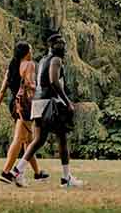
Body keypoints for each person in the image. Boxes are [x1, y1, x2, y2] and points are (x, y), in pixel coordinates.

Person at [8, 32, 82, 188]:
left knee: (38, 140)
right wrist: (67, 101)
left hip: (37, 103)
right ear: (52, 46)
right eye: (59, 44)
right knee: (62, 138)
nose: (62, 46)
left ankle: (16, 171)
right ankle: (66, 178)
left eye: (63, 43)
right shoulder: (56, 60)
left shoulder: (42, 60)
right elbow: (54, 81)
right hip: (50, 103)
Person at [0, 40, 49, 184]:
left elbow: (2, 91)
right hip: (24, 105)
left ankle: (37, 173)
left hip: (14, 105)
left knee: (28, 140)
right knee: (19, 139)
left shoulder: (11, 68)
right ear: (26, 52)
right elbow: (30, 85)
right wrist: (40, 88)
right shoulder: (29, 65)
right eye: (31, 49)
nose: (32, 52)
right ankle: (6, 172)